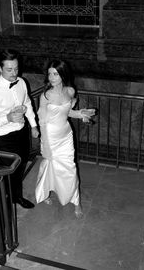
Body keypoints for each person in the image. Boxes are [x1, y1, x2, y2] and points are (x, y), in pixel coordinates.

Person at [35, 59, 95, 217]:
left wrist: (81, 114)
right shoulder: (45, 96)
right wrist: (45, 145)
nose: (52, 77)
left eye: (55, 74)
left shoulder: (70, 91)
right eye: (49, 74)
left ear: (63, 74)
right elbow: (42, 121)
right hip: (50, 137)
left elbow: (68, 112)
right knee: (50, 166)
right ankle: (46, 192)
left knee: (70, 169)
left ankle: (76, 201)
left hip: (66, 136)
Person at [0, 49, 39, 209]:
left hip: (22, 133)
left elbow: (27, 103)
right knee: (7, 173)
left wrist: (33, 125)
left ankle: (17, 197)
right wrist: (8, 118)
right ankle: (4, 204)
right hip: (4, 140)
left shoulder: (21, 82)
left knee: (20, 167)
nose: (14, 73)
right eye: (9, 69)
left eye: (16, 68)